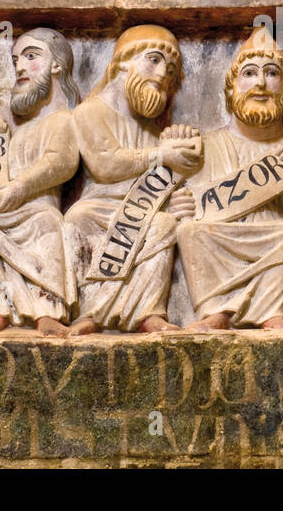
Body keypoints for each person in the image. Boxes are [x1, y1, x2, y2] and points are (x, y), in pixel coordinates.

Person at [65, 25, 200, 334]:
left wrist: (179, 199)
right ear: (123, 61)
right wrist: (161, 155)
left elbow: (162, 183)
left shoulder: (153, 131)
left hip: (144, 211)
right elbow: (105, 165)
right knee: (78, 216)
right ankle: (90, 311)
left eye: (170, 70)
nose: (162, 74)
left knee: (164, 225)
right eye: (153, 60)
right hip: (98, 207)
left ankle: (148, 313)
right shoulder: (90, 112)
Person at [177, 27, 283, 331]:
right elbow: (196, 204)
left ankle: (272, 312)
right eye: (249, 73)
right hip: (218, 238)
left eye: (271, 73)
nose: (260, 83)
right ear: (232, 88)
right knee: (192, 233)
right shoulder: (208, 144)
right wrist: (183, 207)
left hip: (269, 235)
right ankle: (215, 310)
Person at [0, 29, 82, 337]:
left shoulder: (64, 119)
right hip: (7, 212)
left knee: (47, 221)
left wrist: (21, 187)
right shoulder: (21, 130)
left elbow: (62, 162)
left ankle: (48, 310)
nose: (19, 67)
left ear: (57, 65)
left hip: (39, 211)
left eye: (31, 57)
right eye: (16, 59)